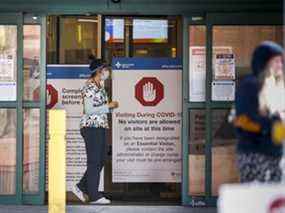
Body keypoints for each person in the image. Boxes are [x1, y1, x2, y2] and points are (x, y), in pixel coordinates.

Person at [233, 41, 285, 183]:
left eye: (281, 61)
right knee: (256, 199)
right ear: (264, 62)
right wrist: (273, 124)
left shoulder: (274, 86)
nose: (280, 65)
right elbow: (244, 120)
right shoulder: (250, 85)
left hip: (274, 153)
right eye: (276, 61)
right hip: (254, 153)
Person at [72, 56, 118, 204]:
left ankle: (80, 187)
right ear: (99, 71)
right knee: (94, 161)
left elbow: (99, 108)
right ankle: (94, 195)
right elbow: (89, 109)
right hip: (91, 127)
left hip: (101, 126)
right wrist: (109, 106)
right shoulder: (89, 87)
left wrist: (109, 109)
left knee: (101, 160)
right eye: (105, 69)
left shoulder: (101, 85)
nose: (107, 71)